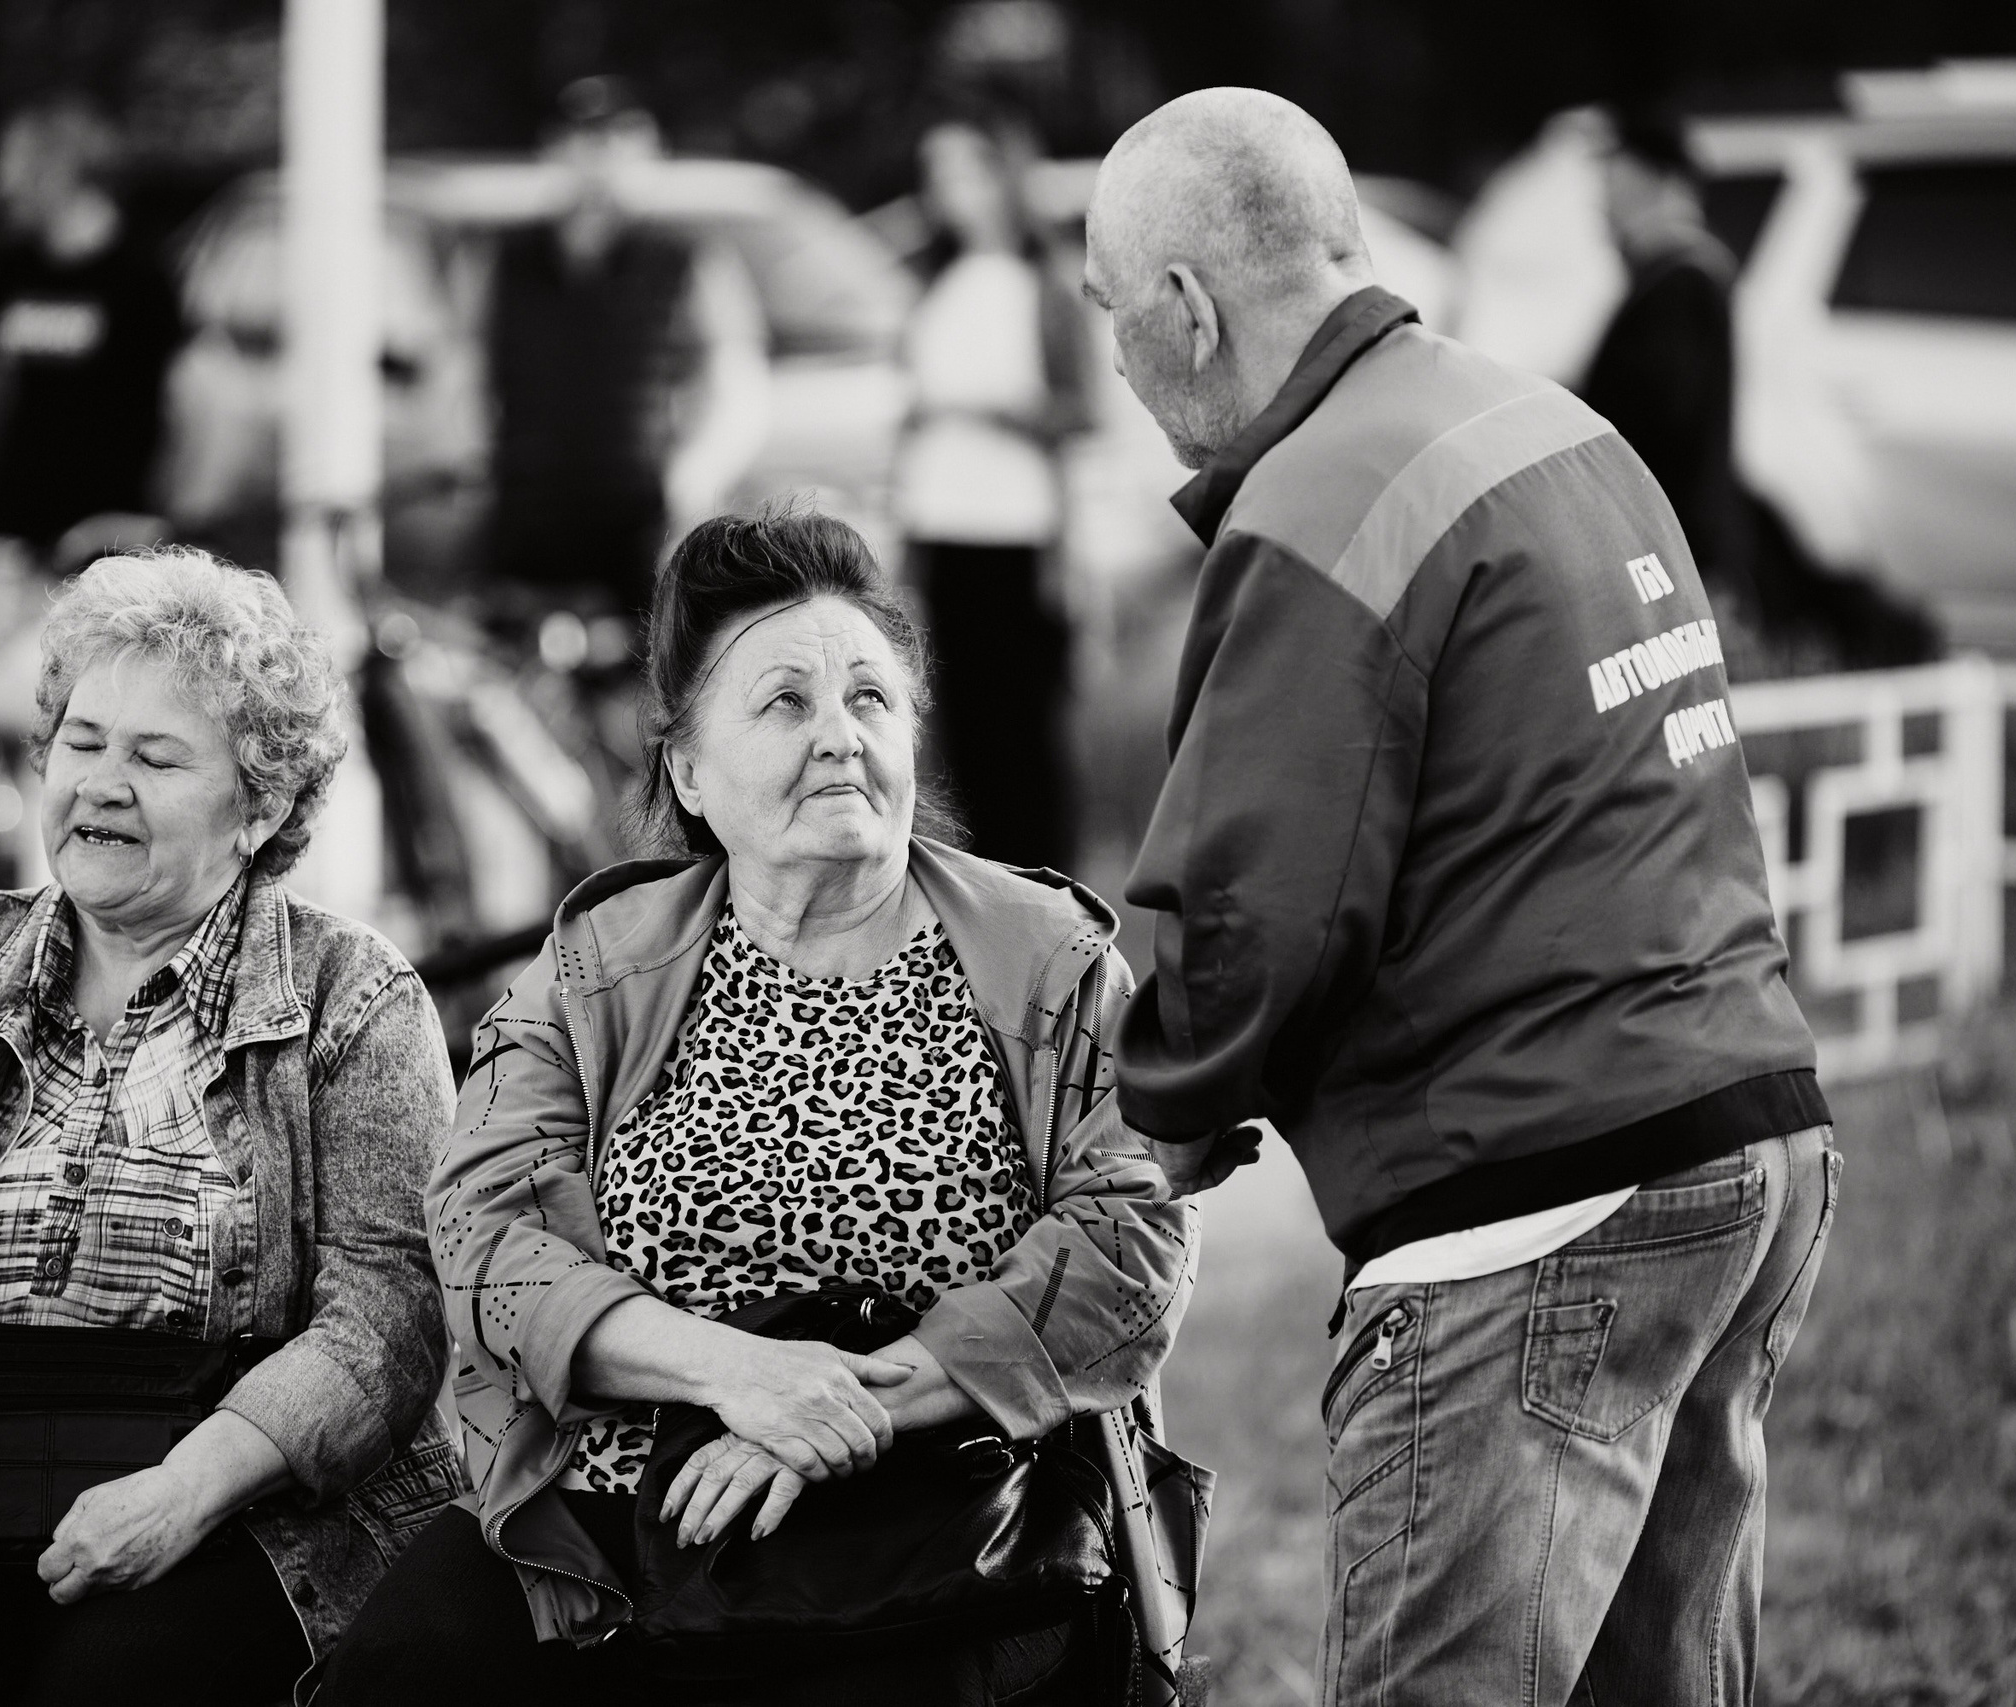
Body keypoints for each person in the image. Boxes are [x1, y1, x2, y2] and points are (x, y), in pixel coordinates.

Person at [1079, 89, 1841, 1707]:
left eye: (1110, 313)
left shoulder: (1324, 505)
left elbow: (1251, 915)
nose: (1120, 367)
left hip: (1534, 1194)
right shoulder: (1555, 430)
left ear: (1187, 308)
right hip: (1750, 1142)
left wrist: (1163, 1110)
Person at [325, 508, 1195, 1704]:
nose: (840, 735)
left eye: (870, 698)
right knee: (405, 1662)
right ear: (688, 771)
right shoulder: (595, 965)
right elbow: (482, 1237)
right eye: (786, 703)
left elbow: (1128, 1241)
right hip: (629, 1515)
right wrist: (734, 1374)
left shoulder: (1051, 957)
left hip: (955, 1510)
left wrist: (846, 1411)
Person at [0, 549, 462, 1706]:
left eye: (156, 758)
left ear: (261, 806)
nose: (101, 785)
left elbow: (387, 1315)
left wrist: (181, 1495)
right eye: (82, 742)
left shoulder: (354, 997)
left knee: (119, 1684)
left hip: (245, 1516)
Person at [484, 77, 770, 627]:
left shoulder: (689, 261)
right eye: (582, 144)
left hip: (640, 526)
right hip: (527, 523)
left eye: (618, 145)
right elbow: (462, 378)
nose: (599, 164)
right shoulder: (504, 263)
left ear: (649, 153)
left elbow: (735, 387)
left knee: (645, 669)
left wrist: (694, 479)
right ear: (553, 150)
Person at [894, 110, 1091, 871]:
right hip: (942, 524)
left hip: (1016, 530)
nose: (950, 191)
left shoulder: (1043, 283)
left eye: (965, 170)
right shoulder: (936, 282)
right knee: (964, 730)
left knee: (1025, 734)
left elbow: (1081, 411)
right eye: (937, 174)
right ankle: (984, 895)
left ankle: (1047, 893)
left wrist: (995, 412)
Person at [0, 99, 184, 551]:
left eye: (10, 165)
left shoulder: (141, 281)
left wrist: (158, 520)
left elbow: (177, 412)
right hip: (12, 528)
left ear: (55, 170)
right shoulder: (7, 273)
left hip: (110, 539)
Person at [1578, 106, 1744, 601]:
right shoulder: (1678, 277)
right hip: (1669, 539)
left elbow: (1656, 422)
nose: (1603, 198)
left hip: (1666, 545)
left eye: (1613, 175)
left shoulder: (1681, 282)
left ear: (1645, 178)